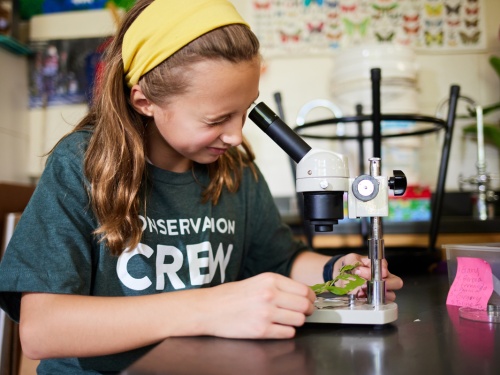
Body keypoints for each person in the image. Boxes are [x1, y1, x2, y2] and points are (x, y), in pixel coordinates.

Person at [0, 0, 403, 373]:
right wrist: (209, 307)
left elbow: (281, 261)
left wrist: (339, 271)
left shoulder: (235, 171)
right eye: (217, 119)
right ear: (144, 102)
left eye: (244, 112)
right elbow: (42, 330)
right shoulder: (81, 167)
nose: (235, 135)